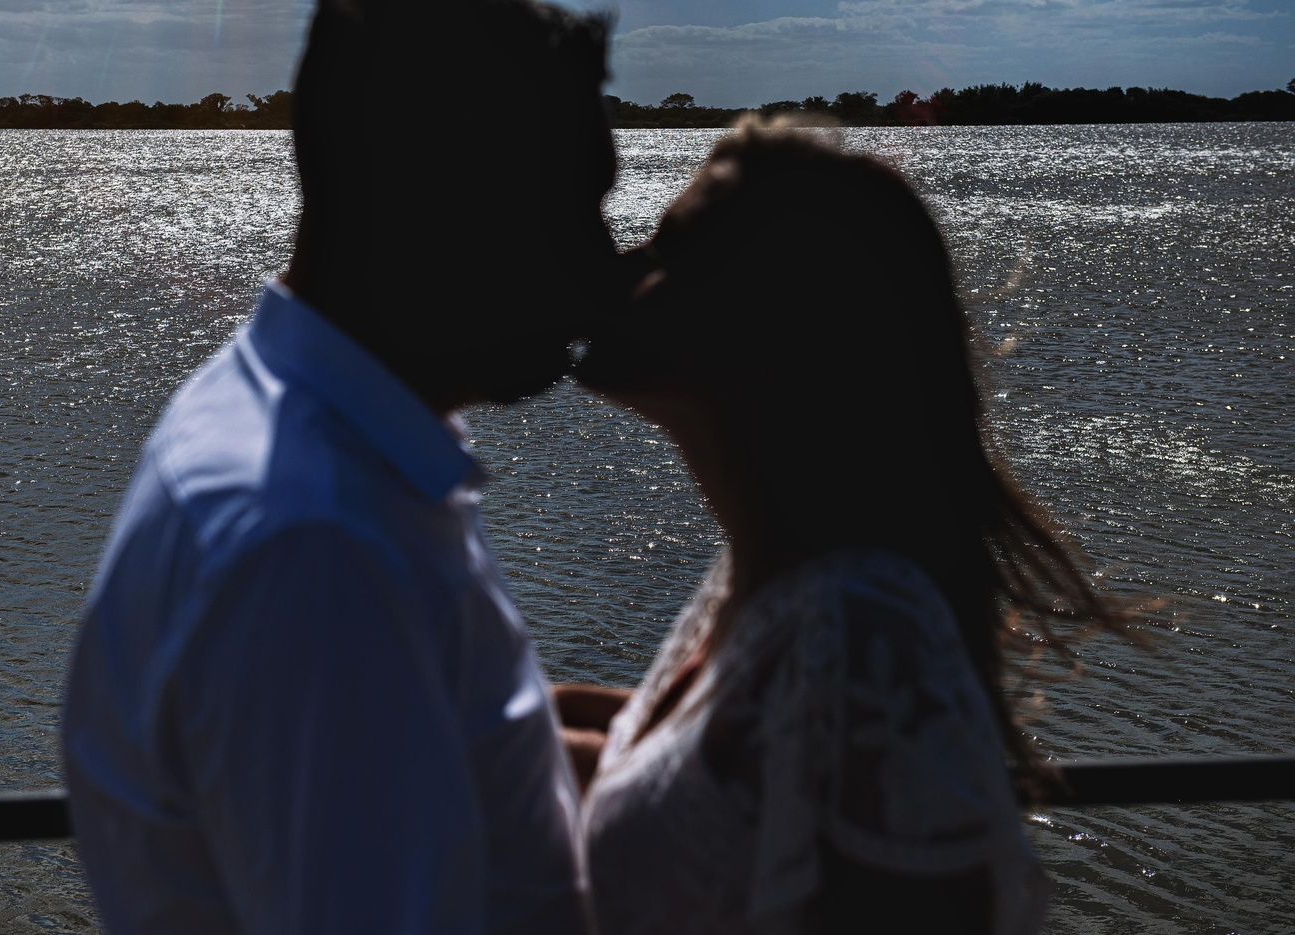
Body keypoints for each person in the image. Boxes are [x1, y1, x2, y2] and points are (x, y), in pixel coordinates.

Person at [60, 0, 620, 931]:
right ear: (430, 200)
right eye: (572, 211)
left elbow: (422, 739)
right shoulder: (318, 549)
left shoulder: (290, 425)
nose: (604, 270)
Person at [570, 120, 1142, 934]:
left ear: (768, 318)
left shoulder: (860, 633)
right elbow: (689, 769)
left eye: (670, 247)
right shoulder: (762, 586)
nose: (624, 263)